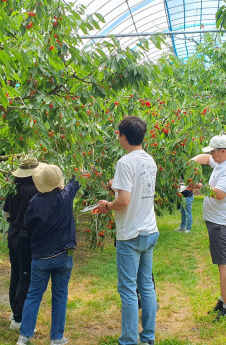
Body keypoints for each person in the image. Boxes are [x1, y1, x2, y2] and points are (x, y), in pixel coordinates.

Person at [96, 116, 158, 345]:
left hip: (130, 234)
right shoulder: (149, 160)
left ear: (123, 137)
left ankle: (129, 340)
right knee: (146, 286)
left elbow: (124, 201)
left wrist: (107, 206)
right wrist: (116, 185)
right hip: (149, 230)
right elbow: (139, 188)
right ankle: (148, 337)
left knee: (128, 290)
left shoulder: (125, 162)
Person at [16, 164, 79, 345]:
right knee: (60, 295)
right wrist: (77, 176)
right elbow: (74, 184)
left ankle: (24, 336)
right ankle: (57, 338)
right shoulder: (65, 196)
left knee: (34, 295)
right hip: (63, 255)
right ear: (59, 182)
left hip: (41, 257)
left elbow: (28, 224)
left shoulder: (35, 202)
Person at [191, 134, 226, 319]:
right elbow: (205, 159)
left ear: (223, 151)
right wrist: (191, 162)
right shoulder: (221, 162)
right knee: (222, 263)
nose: (211, 155)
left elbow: (220, 193)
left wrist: (197, 186)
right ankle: (224, 300)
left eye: (213, 152)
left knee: (225, 264)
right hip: (218, 222)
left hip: (224, 224)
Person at [3, 157, 43, 330]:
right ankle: (19, 318)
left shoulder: (14, 187)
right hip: (26, 238)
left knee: (16, 273)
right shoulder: (35, 190)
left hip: (13, 234)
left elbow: (5, 213)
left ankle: (14, 311)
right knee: (25, 277)